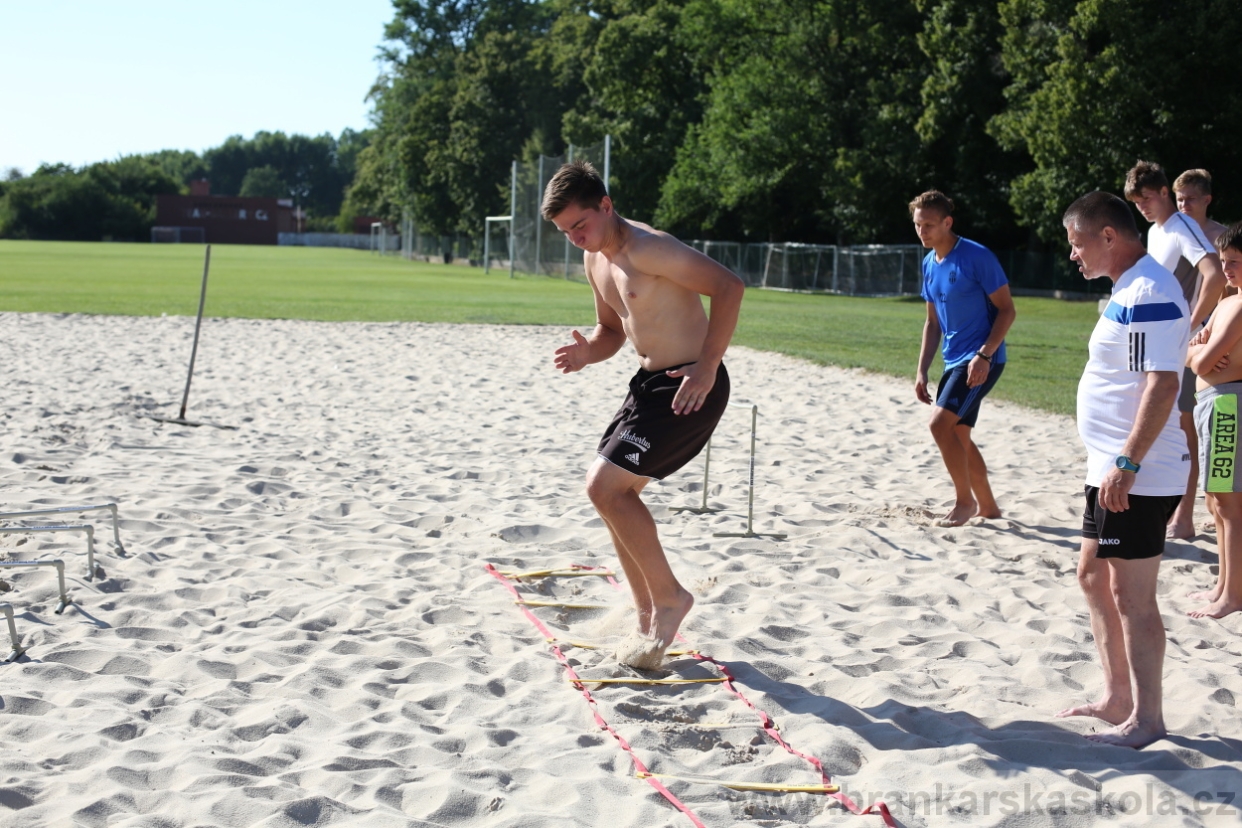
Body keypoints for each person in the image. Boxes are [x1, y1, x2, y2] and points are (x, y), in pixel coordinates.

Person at [543, 160, 745, 670]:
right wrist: (589, 351)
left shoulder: (650, 247)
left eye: (579, 225)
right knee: (613, 497)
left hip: (690, 386)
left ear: (606, 206)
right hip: (649, 386)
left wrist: (707, 366)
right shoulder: (596, 260)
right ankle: (646, 612)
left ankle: (671, 600)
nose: (574, 238)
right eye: (565, 232)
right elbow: (611, 329)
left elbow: (729, 287)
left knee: (604, 488)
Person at [1056, 191, 1188, 749]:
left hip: (1139, 471)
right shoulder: (1126, 290)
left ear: (1108, 236)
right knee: (1092, 577)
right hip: (1108, 465)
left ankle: (1149, 720)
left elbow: (1163, 383)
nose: (1072, 255)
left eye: (1077, 242)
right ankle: (1117, 698)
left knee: (1134, 596)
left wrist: (1128, 463)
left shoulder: (1152, 290)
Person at [1125, 161, 1226, 539]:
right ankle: (1167, 511)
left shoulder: (1183, 226)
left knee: (1186, 430)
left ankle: (1183, 518)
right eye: (1136, 202)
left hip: (1181, 345)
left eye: (1147, 198)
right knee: (1162, 425)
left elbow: (1214, 272)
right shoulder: (1155, 231)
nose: (1143, 206)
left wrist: (1193, 326)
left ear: (1164, 192)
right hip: (1158, 343)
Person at [911, 190, 1016, 526]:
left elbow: (1007, 311)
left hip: (983, 358)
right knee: (959, 435)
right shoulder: (929, 263)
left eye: (929, 225)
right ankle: (988, 507)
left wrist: (984, 356)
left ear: (948, 222)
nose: (922, 231)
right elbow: (932, 322)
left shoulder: (976, 257)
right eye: (917, 225)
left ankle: (964, 502)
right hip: (954, 360)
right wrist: (921, 370)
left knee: (940, 424)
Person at [1185, 223, 1242, 618]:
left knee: (1228, 503)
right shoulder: (1226, 301)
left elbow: (1201, 359)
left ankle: (1233, 594)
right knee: (1216, 503)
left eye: (1235, 262)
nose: (1227, 270)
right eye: (1223, 263)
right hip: (1211, 402)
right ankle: (1224, 583)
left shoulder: (1237, 307)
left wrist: (1198, 354)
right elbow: (1189, 351)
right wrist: (1196, 353)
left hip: (1227, 405)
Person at [1173, 169, 1229, 247]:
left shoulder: (1223, 237)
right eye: (1180, 200)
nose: (1184, 204)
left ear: (1207, 200)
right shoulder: (1169, 234)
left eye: (1191, 198)